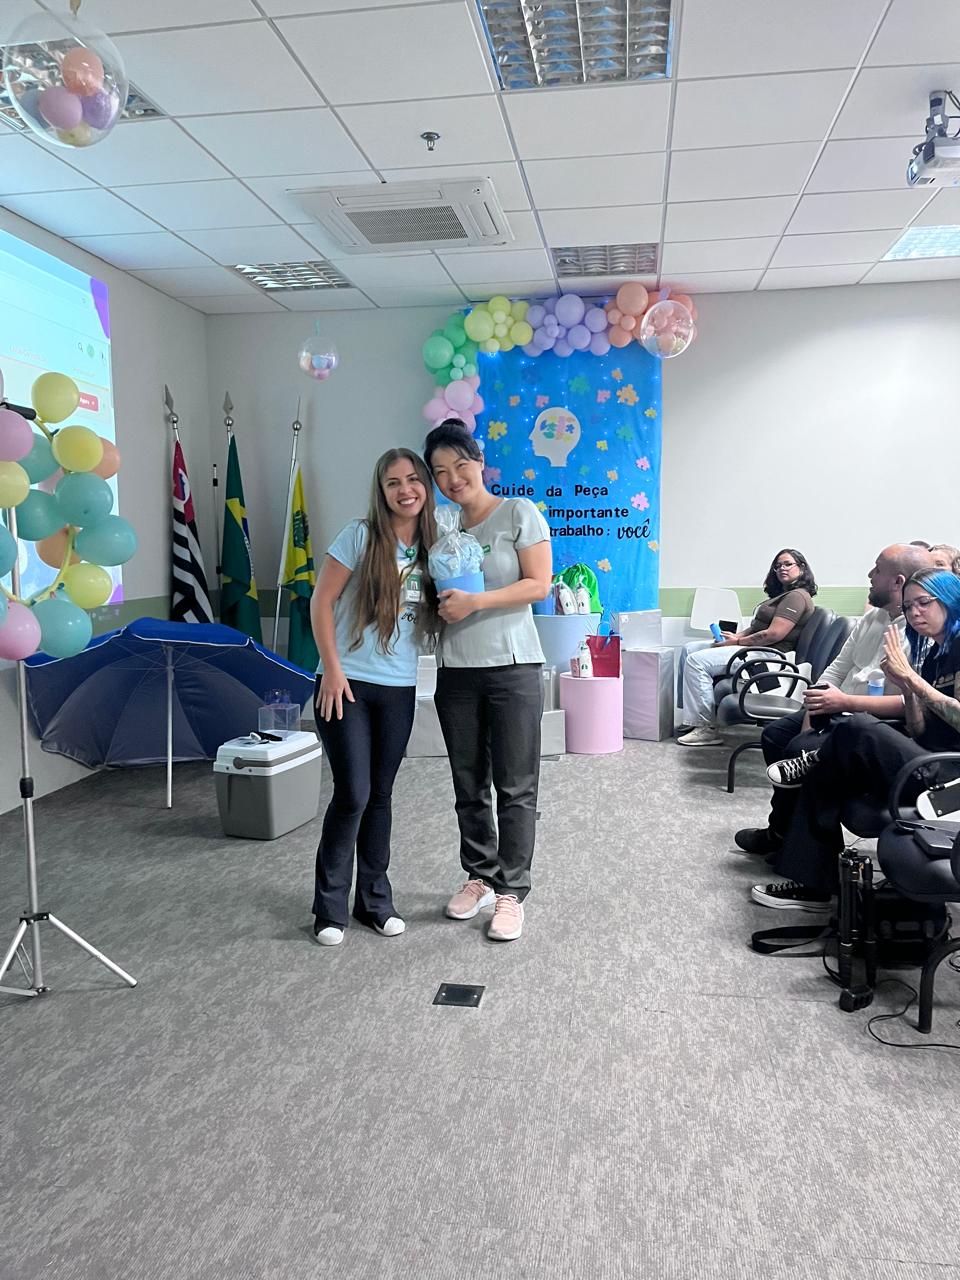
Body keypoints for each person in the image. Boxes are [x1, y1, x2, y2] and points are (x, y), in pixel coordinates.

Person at [751, 567, 960, 911]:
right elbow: (920, 730)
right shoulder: (935, 655)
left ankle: (816, 761)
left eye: (924, 603)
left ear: (950, 600)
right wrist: (909, 690)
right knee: (824, 771)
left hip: (949, 780)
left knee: (856, 727)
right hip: (926, 757)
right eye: (909, 606)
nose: (915, 612)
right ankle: (813, 885)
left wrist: (912, 680)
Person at [424, 419, 552, 942]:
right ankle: (479, 875)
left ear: (479, 462)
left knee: (515, 785)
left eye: (460, 465)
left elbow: (538, 584)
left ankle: (511, 891)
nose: (452, 478)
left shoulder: (518, 512)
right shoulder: (439, 527)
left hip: (512, 667)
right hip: (455, 670)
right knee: (468, 783)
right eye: (440, 472)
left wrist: (475, 602)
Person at [308, 449, 439, 946]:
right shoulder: (360, 535)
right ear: (380, 491)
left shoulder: (434, 548)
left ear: (425, 486)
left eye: (413, 479)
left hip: (399, 687)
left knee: (381, 796)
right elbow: (321, 602)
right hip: (346, 684)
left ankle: (374, 902)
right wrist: (332, 670)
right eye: (393, 483)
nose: (405, 490)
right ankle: (329, 908)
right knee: (353, 794)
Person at [734, 543, 933, 856]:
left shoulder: (922, 631)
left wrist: (841, 705)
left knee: (800, 749)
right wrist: (813, 709)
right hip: (837, 707)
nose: (869, 575)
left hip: (875, 721)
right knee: (775, 735)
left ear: (898, 582)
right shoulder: (872, 619)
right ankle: (782, 830)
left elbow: (915, 705)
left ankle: (799, 849)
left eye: (877, 569)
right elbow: (836, 669)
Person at [677, 549, 817, 747]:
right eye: (778, 566)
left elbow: (773, 634)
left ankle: (705, 727)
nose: (782, 568)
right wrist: (736, 636)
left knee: (696, 661)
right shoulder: (784, 595)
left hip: (767, 657)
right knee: (690, 649)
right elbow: (757, 628)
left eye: (788, 564)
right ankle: (692, 718)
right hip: (756, 650)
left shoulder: (797, 597)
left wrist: (735, 643)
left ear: (801, 568)